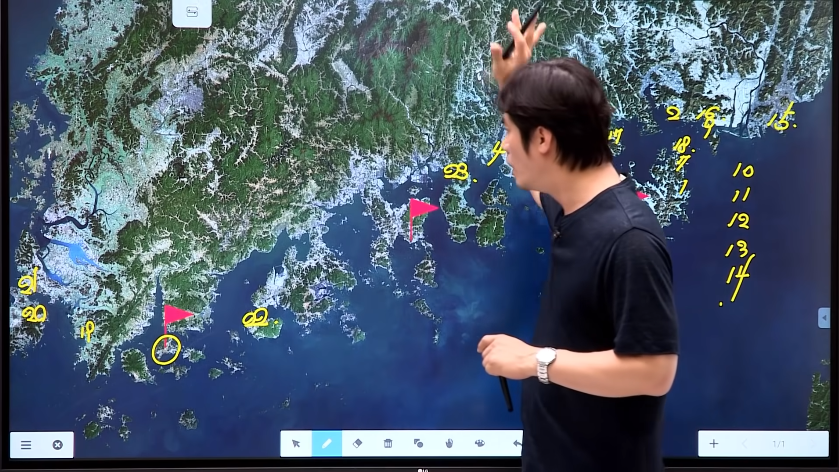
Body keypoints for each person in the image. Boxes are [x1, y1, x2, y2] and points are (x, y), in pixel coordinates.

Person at [477, 9, 680, 472]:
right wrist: (514, 85)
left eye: (509, 131)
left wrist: (535, 361)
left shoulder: (629, 240)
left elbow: (654, 371)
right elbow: (539, 185)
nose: (505, 145)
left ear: (542, 139)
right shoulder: (575, 207)